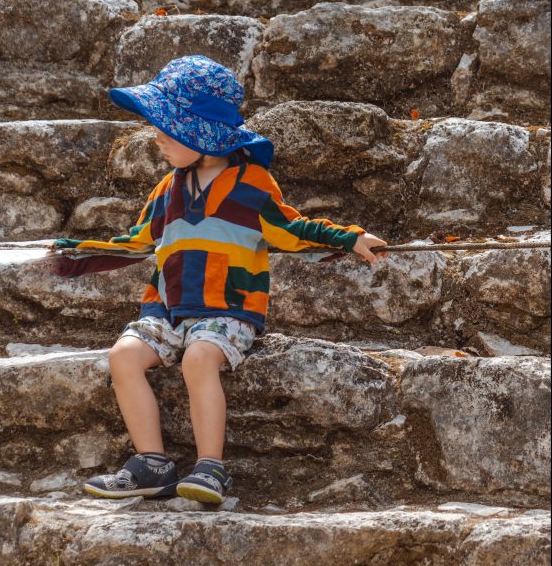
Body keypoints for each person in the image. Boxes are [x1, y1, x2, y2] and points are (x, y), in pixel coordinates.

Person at [47, 55, 388, 504]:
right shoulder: (166, 190)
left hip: (226, 309)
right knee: (123, 357)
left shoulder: (253, 184)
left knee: (199, 358)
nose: (158, 137)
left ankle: (211, 467)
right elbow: (136, 242)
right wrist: (74, 255)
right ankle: (152, 463)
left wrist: (350, 239)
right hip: (165, 310)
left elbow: (292, 228)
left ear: (202, 135)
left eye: (168, 128)